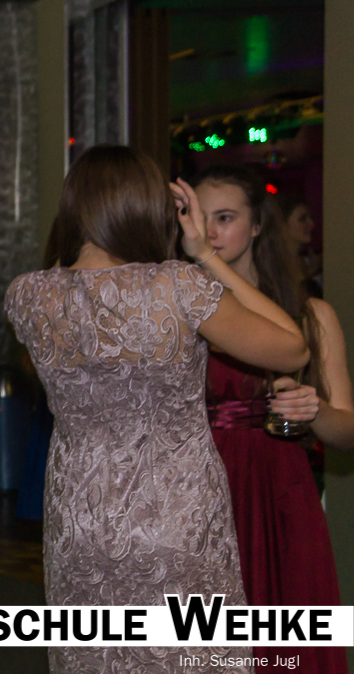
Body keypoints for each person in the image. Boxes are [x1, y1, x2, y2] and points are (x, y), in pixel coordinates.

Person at [5, 145, 309, 674]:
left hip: (80, 516)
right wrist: (205, 254)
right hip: (176, 513)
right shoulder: (178, 286)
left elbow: (71, 280)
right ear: (150, 207)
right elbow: (293, 348)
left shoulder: (27, 296)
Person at [194, 164, 351, 674]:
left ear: (258, 224)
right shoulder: (182, 310)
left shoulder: (310, 313)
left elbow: (347, 431)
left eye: (225, 217)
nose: (209, 231)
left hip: (279, 489)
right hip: (197, 491)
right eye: (197, 217)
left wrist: (314, 410)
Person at [278, 191, 322, 297]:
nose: (311, 224)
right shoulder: (275, 263)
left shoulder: (302, 261)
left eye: (310, 218)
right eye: (302, 219)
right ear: (282, 225)